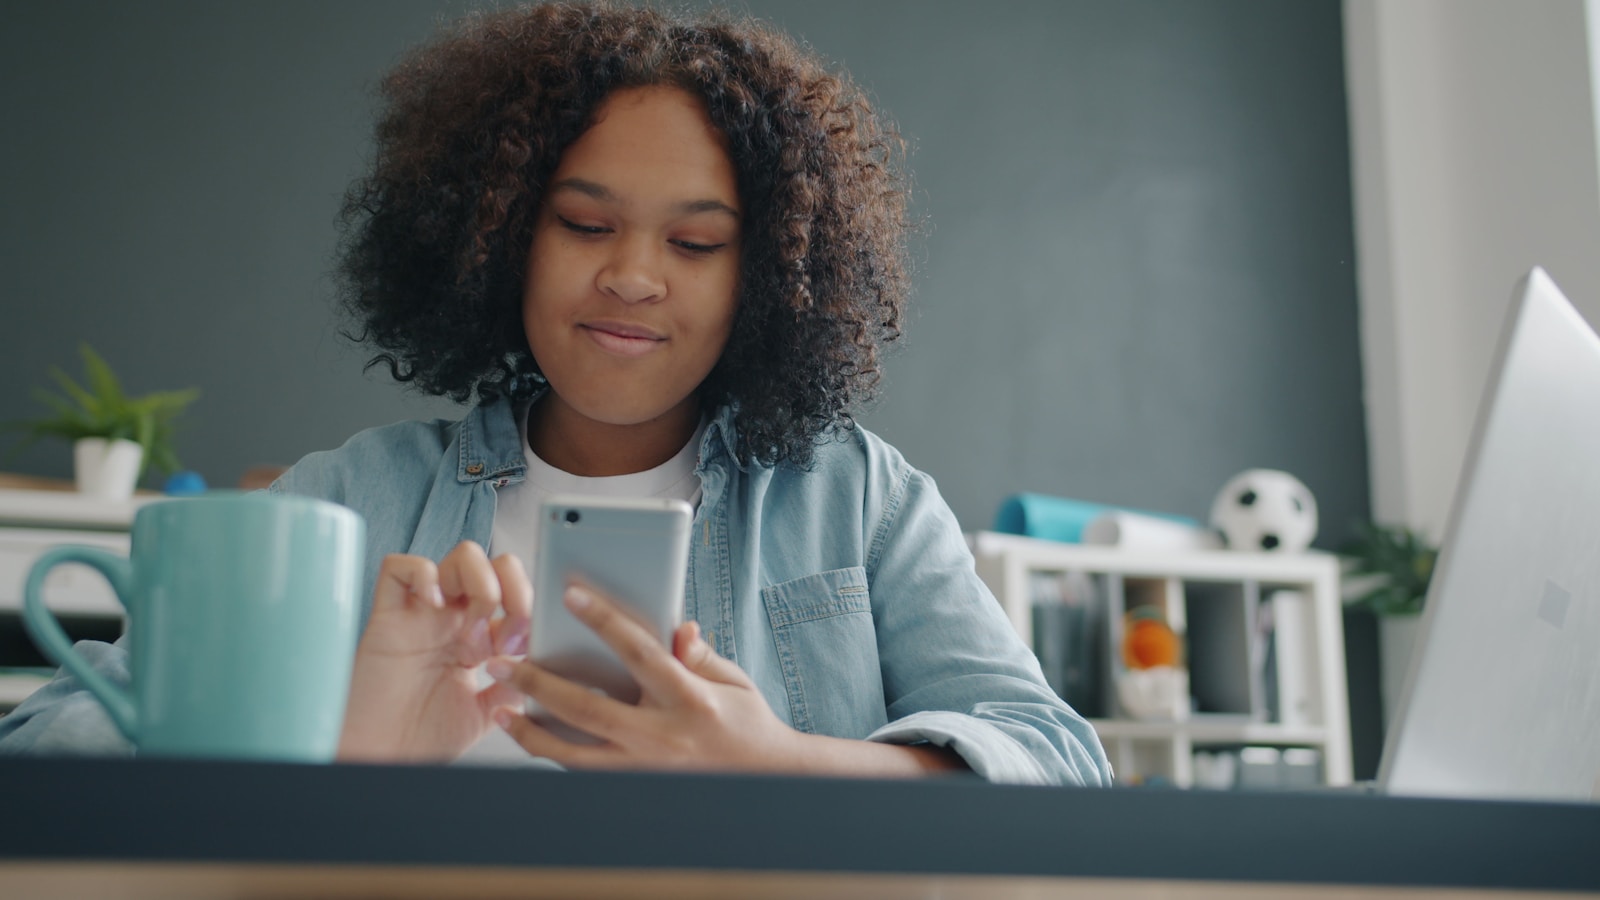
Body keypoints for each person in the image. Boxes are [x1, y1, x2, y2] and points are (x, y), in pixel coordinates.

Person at [0, 2, 1111, 786]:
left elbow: (1059, 763)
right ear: (497, 242)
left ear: (765, 277)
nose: (631, 274)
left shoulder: (860, 503)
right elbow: (42, 747)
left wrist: (772, 764)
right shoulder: (341, 501)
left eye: (696, 240)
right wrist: (350, 748)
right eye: (584, 225)